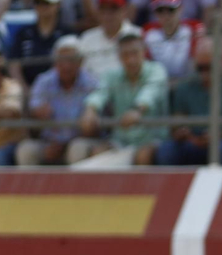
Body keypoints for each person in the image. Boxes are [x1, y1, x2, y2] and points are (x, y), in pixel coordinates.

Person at [71, 30, 167, 166]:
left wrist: (137, 110)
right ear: (119, 56)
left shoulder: (157, 70)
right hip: (120, 140)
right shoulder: (112, 75)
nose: (131, 60)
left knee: (143, 156)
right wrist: (90, 110)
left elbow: (151, 92)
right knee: (98, 153)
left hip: (152, 139)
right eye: (125, 55)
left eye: (135, 53)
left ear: (144, 52)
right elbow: (100, 93)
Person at [156, 38, 222, 165]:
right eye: (200, 68)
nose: (204, 73)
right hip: (192, 140)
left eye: (208, 67)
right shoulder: (185, 85)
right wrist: (184, 133)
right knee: (167, 150)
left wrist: (218, 136)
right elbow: (178, 119)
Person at [18, 35, 97, 165]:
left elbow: (94, 128)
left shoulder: (92, 84)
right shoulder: (44, 81)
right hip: (49, 142)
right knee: (26, 150)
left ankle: (76, 186)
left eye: (71, 60)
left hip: (78, 140)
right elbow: (35, 111)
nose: (66, 66)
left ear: (81, 61)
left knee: (77, 148)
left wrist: (65, 144)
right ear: (55, 62)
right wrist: (39, 113)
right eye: (61, 60)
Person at [8, 0, 65, 86]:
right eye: (38, 2)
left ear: (58, 4)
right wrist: (25, 91)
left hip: (58, 91)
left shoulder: (66, 33)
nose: (42, 6)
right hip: (26, 90)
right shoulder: (23, 33)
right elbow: (14, 65)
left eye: (47, 2)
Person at [142, 0, 200, 80]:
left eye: (170, 10)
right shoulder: (148, 33)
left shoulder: (193, 29)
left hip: (188, 83)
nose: (166, 15)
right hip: (158, 85)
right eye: (160, 11)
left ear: (180, 9)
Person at [76, 0, 131, 80]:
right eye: (103, 10)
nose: (108, 16)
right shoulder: (87, 38)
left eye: (113, 10)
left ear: (124, 11)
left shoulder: (136, 35)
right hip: (93, 89)